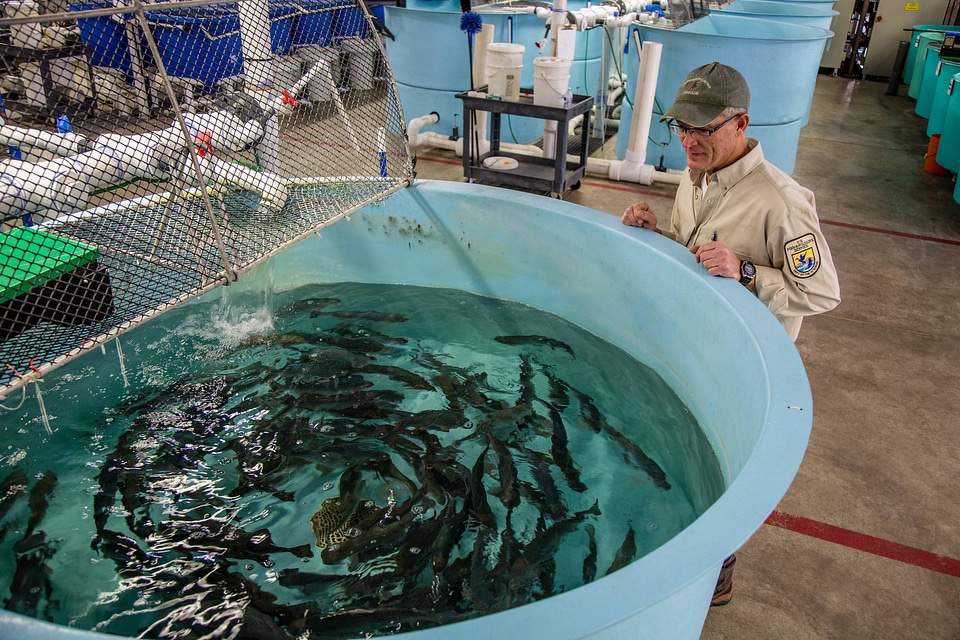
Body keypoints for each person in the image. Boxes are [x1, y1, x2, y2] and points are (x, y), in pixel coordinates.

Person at [621, 62, 841, 605]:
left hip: (743, 360)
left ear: (740, 124)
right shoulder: (695, 179)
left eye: (704, 129)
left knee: (723, 465)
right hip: (693, 343)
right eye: (682, 128)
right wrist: (657, 233)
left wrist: (747, 272)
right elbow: (689, 245)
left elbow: (823, 293)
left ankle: (716, 572)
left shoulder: (781, 201)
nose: (690, 141)